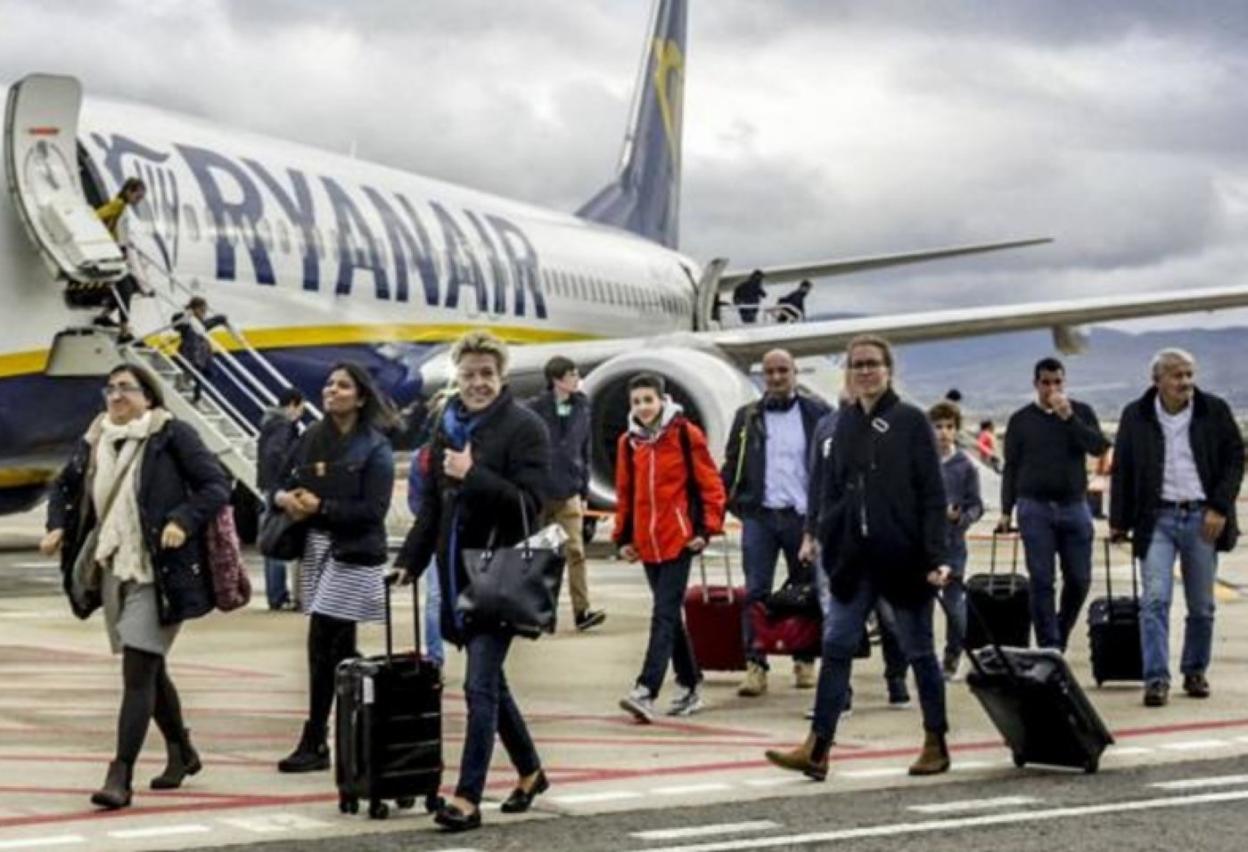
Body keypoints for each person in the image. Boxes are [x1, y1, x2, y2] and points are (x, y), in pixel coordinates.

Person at [40, 364, 230, 809]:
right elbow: (64, 488)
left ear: (149, 396)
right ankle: (182, 751)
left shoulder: (171, 434)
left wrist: (183, 520)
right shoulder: (96, 439)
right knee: (148, 665)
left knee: (138, 670)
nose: (116, 395)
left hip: (158, 570)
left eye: (127, 388)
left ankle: (120, 774)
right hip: (114, 568)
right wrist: (56, 527)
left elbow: (215, 485)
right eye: (111, 388)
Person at [766, 334, 952, 781]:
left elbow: (931, 491)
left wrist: (936, 555)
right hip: (854, 558)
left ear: (888, 370)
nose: (865, 371)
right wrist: (824, 532)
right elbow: (830, 486)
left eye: (872, 364)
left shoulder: (910, 422)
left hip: (903, 558)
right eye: (857, 365)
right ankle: (818, 746)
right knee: (836, 645)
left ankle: (935, 740)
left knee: (919, 650)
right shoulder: (841, 424)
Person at [395, 331, 551, 833]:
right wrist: (410, 561)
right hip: (456, 570)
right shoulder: (448, 423)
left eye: (487, 374)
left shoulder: (525, 427)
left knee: (478, 684)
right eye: (469, 375)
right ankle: (529, 771)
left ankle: (467, 797)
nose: (477, 383)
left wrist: (474, 472)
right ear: (456, 377)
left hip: (501, 573)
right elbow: (437, 505)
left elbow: (532, 503)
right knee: (493, 685)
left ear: (501, 376)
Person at [274, 363, 396, 775]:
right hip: (319, 546)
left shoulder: (374, 447)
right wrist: (284, 500)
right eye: (328, 384)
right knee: (333, 649)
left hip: (354, 552)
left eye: (343, 386)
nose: (332, 391)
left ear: (361, 397)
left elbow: (375, 511)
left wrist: (323, 507)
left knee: (327, 641)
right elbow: (276, 479)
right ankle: (356, 727)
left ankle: (318, 738)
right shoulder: (310, 439)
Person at [1110, 349, 1244, 707]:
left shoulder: (1213, 411)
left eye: (1189, 374)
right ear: (1157, 381)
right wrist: (1118, 521)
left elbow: (1235, 458)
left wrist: (1219, 507)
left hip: (1202, 519)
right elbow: (1122, 468)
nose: (1185, 382)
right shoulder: (1135, 416)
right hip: (1157, 520)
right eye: (1177, 375)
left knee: (1201, 605)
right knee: (1154, 600)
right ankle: (1156, 678)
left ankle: (1194, 669)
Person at [615, 373, 726, 722]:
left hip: (678, 539)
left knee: (662, 614)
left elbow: (710, 484)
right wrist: (623, 537)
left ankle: (646, 689)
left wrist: (707, 529)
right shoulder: (628, 443)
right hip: (647, 543)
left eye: (648, 400)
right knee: (670, 617)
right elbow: (626, 492)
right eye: (636, 402)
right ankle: (691, 683)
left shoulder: (683, 434)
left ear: (663, 400)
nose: (643, 407)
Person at [721, 349, 830, 697]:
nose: (777, 377)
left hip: (803, 518)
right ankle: (755, 664)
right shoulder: (748, 416)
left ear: (795, 372)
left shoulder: (818, 414)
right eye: (769, 372)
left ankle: (804, 659)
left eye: (783, 370)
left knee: (807, 590)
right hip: (761, 517)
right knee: (755, 590)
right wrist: (732, 505)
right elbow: (731, 465)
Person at [800, 390, 913, 716]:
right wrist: (810, 531)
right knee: (835, 616)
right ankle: (839, 694)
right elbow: (816, 483)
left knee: (890, 616)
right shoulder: (826, 427)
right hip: (835, 536)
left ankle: (896, 678)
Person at [997, 357, 1109, 650]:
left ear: (1064, 382)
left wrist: (1069, 418)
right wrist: (1006, 510)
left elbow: (1098, 446)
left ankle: (1060, 630)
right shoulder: (1021, 420)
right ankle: (1049, 645)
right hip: (1034, 506)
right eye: (1045, 383)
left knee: (1079, 578)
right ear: (1036, 384)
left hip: (1073, 505)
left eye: (1057, 382)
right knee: (1042, 579)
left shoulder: (1081, 412)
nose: (1051, 388)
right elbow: (1011, 466)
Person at [528, 356, 605, 631]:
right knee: (543, 554)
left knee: (576, 552)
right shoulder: (535, 409)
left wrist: (584, 489)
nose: (577, 379)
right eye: (572, 375)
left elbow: (585, 449)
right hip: (540, 493)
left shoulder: (583, 406)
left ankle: (582, 611)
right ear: (557, 380)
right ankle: (541, 613)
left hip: (570, 490)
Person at [928, 400, 983, 679]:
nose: (943, 433)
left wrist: (960, 518)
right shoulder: (922, 462)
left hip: (953, 544)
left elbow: (976, 505)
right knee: (922, 604)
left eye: (949, 427)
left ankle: (952, 655)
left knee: (954, 605)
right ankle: (925, 658)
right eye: (938, 427)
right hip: (924, 544)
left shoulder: (965, 466)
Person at [257, 387, 304, 611]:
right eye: (301, 407)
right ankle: (278, 595)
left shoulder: (270, 423)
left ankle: (276, 594)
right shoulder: (283, 426)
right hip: (279, 489)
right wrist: (283, 484)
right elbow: (277, 455)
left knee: (272, 535)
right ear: (294, 404)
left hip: (269, 486)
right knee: (278, 536)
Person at [92, 177, 152, 342]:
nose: (138, 201)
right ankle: (124, 331)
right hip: (111, 254)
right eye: (137, 197)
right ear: (128, 191)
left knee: (132, 286)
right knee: (125, 288)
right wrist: (107, 237)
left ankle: (104, 316)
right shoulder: (118, 204)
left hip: (119, 254)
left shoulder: (123, 207)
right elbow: (96, 216)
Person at [172, 297, 228, 404]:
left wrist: (219, 319)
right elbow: (177, 323)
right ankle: (186, 384)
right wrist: (218, 319)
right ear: (194, 309)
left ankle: (196, 395)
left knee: (199, 372)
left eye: (205, 311)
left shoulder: (199, 323)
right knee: (196, 366)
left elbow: (205, 326)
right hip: (190, 351)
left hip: (199, 353)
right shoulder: (187, 320)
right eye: (202, 310)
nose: (204, 313)